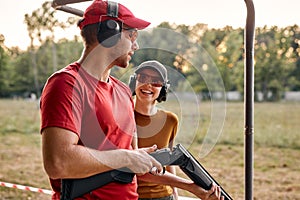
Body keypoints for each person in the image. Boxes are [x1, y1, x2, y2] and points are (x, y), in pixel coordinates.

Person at [39, 1, 164, 200]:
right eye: (131, 35)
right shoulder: (66, 84)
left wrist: (192, 186)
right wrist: (126, 157)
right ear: (109, 32)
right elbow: (58, 162)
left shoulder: (123, 91)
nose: (136, 45)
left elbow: (130, 159)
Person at [129, 60, 224, 200]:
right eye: (142, 78)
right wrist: (190, 187)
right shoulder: (124, 117)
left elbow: (169, 161)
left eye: (156, 81)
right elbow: (135, 166)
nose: (148, 84)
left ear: (163, 88)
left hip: (165, 196)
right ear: (134, 82)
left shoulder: (170, 120)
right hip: (134, 196)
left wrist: (175, 194)